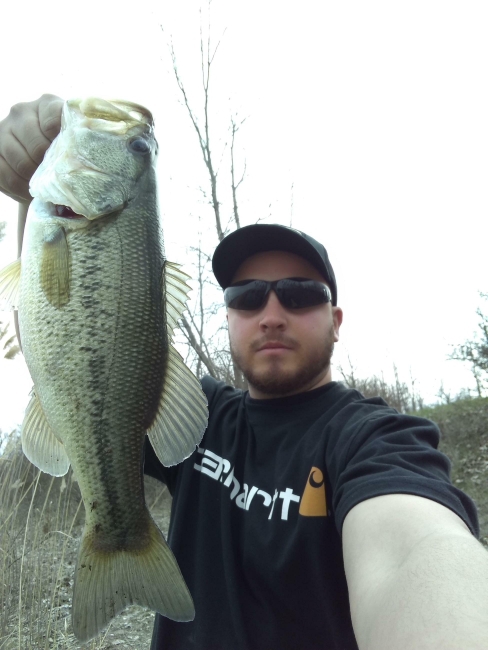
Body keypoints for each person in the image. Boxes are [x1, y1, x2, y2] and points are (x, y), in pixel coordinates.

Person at [0, 96, 487, 650]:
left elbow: (414, 550)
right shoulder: (199, 419)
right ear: (228, 316)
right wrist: (26, 197)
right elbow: (60, 342)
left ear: (336, 320)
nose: (272, 314)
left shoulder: (375, 441)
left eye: (299, 294)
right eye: (247, 296)